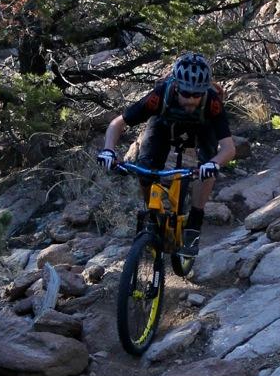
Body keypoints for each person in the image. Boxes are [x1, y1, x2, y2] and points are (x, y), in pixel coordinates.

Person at [97, 52, 236, 255]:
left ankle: (194, 226)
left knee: (206, 168)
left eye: (197, 95)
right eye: (187, 94)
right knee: (145, 169)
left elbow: (228, 148)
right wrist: (108, 150)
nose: (191, 99)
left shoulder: (212, 103)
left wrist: (213, 164)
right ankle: (152, 215)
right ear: (177, 87)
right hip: (163, 124)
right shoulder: (160, 95)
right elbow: (117, 123)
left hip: (203, 127)